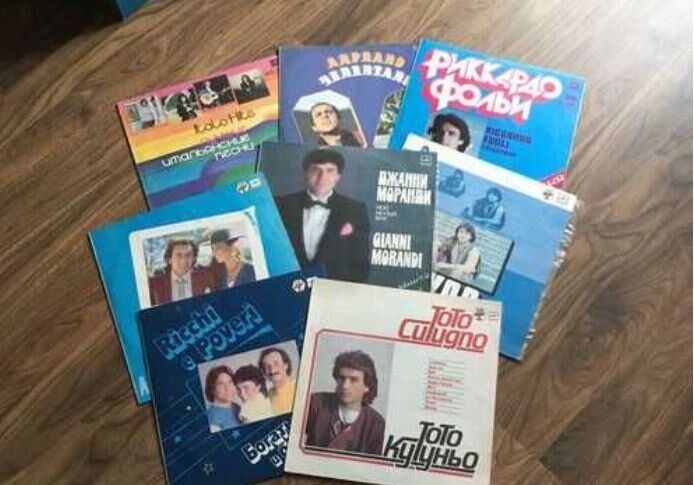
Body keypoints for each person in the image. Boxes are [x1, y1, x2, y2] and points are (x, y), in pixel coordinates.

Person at [275, 149, 370, 282]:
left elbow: (360, 264)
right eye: (315, 170)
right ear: (305, 173)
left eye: (330, 171)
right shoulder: (280, 205)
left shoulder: (355, 210)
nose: (322, 177)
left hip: (333, 289)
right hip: (284, 285)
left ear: (338, 176)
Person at [304, 351, 385, 455]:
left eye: (353, 380)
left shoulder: (377, 425)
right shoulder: (314, 403)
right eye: (341, 378)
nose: (345, 386)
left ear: (367, 386)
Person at [148, 239, 213, 306]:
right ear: (169, 259)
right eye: (179, 255)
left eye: (188, 255)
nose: (183, 260)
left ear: (194, 259)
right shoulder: (154, 284)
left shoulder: (206, 278)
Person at [204, 365, 242, 433]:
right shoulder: (211, 418)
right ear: (212, 389)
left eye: (230, 382)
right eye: (220, 384)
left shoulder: (237, 407)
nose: (227, 388)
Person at [259, 347, 296, 414]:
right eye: (266, 366)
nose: (272, 370)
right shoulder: (267, 397)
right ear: (264, 372)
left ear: (286, 366)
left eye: (276, 363)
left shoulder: (299, 387)